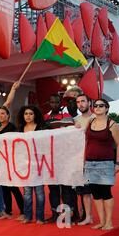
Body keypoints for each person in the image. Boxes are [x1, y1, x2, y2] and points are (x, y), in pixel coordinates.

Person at [84, 99, 119, 230]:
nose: (98, 107)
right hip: (89, 163)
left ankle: (109, 222)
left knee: (106, 192)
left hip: (105, 163)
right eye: (95, 105)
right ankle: (101, 221)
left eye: (101, 105)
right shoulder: (90, 121)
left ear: (106, 108)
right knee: (95, 193)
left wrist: (118, 163)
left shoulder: (112, 124)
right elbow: (85, 140)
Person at [44, 94, 75, 224]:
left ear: (60, 103)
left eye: (56, 102)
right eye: (51, 102)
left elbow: (72, 129)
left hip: (65, 157)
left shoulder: (67, 116)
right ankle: (55, 215)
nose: (54, 104)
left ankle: (68, 216)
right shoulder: (45, 117)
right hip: (50, 158)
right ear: (49, 103)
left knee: (66, 189)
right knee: (53, 189)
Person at [17, 106, 46, 224]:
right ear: (23, 116)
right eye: (26, 114)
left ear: (35, 115)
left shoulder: (41, 128)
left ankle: (40, 218)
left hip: (39, 165)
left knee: (39, 193)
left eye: (31, 114)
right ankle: (28, 216)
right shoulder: (20, 129)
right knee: (27, 193)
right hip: (25, 165)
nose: (28, 116)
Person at [0, 107, 25, 221]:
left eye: (3, 113)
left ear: (8, 115)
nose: (1, 116)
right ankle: (8, 211)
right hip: (1, 162)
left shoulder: (12, 128)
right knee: (4, 188)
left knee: (13, 188)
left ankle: (23, 211)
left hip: (11, 161)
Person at [74, 94, 95, 225]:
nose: (80, 104)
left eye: (83, 101)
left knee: (91, 190)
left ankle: (89, 216)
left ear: (89, 103)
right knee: (82, 190)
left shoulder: (95, 119)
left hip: (92, 159)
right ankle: (85, 215)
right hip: (77, 160)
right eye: (78, 102)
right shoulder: (76, 120)